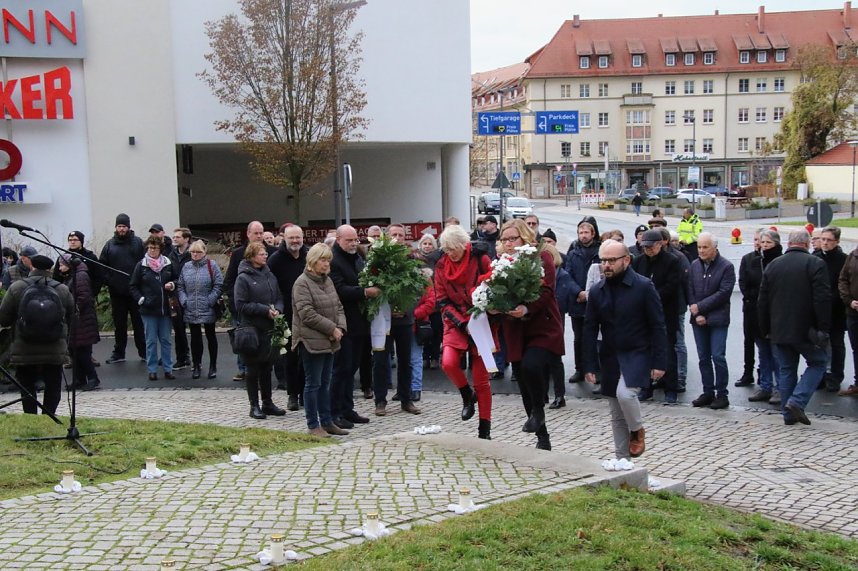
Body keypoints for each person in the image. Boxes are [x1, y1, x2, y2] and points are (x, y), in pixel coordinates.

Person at [582, 240, 667, 460]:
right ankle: (622, 461)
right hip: (610, 354)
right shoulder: (598, 290)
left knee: (626, 395)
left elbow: (658, 325)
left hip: (638, 352)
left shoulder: (643, 286)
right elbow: (589, 329)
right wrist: (589, 364)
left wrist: (660, 362)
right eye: (603, 261)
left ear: (626, 260)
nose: (606, 265)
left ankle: (637, 430)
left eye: (611, 260)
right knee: (616, 411)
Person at [497, 219, 564, 450]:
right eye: (504, 239)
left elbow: (546, 289)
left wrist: (526, 308)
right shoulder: (502, 262)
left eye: (512, 238)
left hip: (541, 326)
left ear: (525, 237)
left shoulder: (541, 257)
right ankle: (542, 437)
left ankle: (538, 410)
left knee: (532, 366)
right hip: (515, 328)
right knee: (523, 381)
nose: (508, 243)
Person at [758, 229, 830, 426]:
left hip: (779, 328)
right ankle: (796, 401)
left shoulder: (774, 265)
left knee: (787, 369)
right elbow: (822, 298)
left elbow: (762, 300)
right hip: (807, 329)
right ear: (807, 244)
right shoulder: (815, 264)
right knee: (818, 363)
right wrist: (823, 328)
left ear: (789, 244)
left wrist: (765, 328)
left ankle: (788, 414)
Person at [435, 224, 493, 440]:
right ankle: (466, 394)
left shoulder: (479, 259)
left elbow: (492, 282)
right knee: (448, 362)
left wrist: (481, 313)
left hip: (482, 319)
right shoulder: (441, 266)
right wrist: (462, 323)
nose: (450, 253)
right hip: (456, 321)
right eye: (446, 249)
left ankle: (484, 429)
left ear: (463, 245)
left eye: (453, 249)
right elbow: (442, 299)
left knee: (481, 379)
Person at [0, 254, 74, 415]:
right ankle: (49, 417)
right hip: (54, 347)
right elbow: (73, 317)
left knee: (27, 386)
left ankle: (31, 418)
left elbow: (3, 318)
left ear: (31, 266)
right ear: (50, 269)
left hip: (24, 347)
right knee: (53, 385)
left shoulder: (16, 287)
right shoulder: (61, 289)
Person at [291, 243, 348, 437]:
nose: (326, 264)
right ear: (313, 261)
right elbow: (306, 314)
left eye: (328, 260)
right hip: (311, 340)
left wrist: (339, 327)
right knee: (313, 384)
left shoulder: (327, 280)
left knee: (326, 383)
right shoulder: (302, 283)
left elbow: (338, 306)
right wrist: (331, 328)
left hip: (330, 339)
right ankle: (313, 424)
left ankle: (327, 421)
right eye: (322, 260)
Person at [371, 224, 422, 417]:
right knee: (381, 361)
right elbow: (372, 284)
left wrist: (405, 308)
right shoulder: (378, 258)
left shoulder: (412, 258)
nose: (398, 237)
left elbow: (417, 289)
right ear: (387, 236)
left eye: (401, 235)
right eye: (394, 234)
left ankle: (406, 399)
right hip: (383, 320)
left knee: (406, 361)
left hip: (405, 320)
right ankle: (380, 400)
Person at [234, 242, 286, 419]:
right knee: (252, 368)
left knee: (267, 366)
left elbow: (279, 296)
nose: (265, 256)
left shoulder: (269, 274)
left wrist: (278, 309)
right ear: (251, 256)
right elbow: (240, 305)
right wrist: (264, 310)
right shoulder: (243, 277)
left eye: (265, 253)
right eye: (262, 254)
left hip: (269, 328)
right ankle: (254, 405)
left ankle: (268, 403)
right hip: (251, 329)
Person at [330, 225, 375, 429]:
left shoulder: (357, 257)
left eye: (355, 240)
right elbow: (339, 290)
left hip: (359, 323)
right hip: (343, 324)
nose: (353, 243)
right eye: (349, 240)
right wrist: (364, 292)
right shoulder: (334, 260)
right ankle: (335, 411)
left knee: (352, 369)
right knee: (341, 370)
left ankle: (348, 409)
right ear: (338, 239)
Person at [631, 229, 682, 403]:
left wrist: (651, 297)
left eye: (651, 247)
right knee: (645, 352)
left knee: (667, 351)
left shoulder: (672, 261)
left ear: (660, 244)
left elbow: (672, 286)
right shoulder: (638, 262)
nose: (648, 250)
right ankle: (647, 387)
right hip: (643, 315)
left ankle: (671, 388)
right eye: (645, 247)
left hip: (665, 313)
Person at [223, 221, 276, 381]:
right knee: (245, 339)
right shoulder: (238, 254)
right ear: (248, 234)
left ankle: (265, 370)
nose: (259, 236)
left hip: (268, 309)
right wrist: (235, 301)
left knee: (266, 344)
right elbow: (230, 280)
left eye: (261, 233)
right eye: (256, 233)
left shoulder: (273, 252)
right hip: (244, 307)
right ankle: (243, 369)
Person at [688, 232, 736, 410]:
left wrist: (700, 307)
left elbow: (723, 293)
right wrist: (696, 311)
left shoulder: (726, 267)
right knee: (703, 357)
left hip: (718, 318)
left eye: (705, 247)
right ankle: (708, 391)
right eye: (699, 247)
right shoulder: (694, 265)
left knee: (718, 356)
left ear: (714, 248)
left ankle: (722, 394)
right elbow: (690, 288)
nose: (701, 250)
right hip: (698, 319)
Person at [267, 224, 308, 409]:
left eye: (298, 237)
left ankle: (305, 395)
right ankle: (292, 394)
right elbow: (270, 287)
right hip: (287, 315)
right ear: (285, 238)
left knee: (307, 356)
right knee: (291, 357)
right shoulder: (275, 260)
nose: (295, 241)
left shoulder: (308, 256)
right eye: (291, 238)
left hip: (308, 314)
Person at [99, 213, 146, 364]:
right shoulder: (109, 245)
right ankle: (119, 353)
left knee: (139, 324)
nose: (122, 229)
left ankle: (144, 352)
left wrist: (140, 282)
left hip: (135, 292)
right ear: (116, 227)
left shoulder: (138, 243)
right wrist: (109, 281)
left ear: (129, 227)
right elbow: (102, 266)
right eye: (119, 226)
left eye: (124, 226)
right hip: (117, 292)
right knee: (119, 325)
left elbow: (145, 263)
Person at [130, 236, 178, 381]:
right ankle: (152, 369)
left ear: (160, 249)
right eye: (150, 248)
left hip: (165, 308)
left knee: (166, 339)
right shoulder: (141, 265)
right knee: (150, 340)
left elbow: (176, 279)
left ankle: (168, 368)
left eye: (155, 248)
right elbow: (133, 285)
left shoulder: (168, 264)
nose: (152, 250)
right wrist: (141, 299)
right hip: (148, 309)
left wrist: (172, 285)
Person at [745, 230, 783, 404]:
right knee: (764, 353)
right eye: (763, 242)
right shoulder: (754, 262)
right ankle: (766, 386)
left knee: (777, 355)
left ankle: (780, 388)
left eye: (768, 243)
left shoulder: (780, 262)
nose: (764, 246)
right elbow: (746, 284)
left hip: (775, 315)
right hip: (756, 313)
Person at [177, 240, 223, 380]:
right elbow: (180, 286)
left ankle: (213, 366)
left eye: (198, 252)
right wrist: (184, 300)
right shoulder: (186, 267)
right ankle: (196, 365)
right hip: (191, 306)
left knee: (211, 336)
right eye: (193, 252)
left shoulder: (211, 265)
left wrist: (210, 299)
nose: (195, 255)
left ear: (204, 253)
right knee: (195, 338)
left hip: (207, 305)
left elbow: (219, 284)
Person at [57, 254, 101, 391]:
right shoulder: (72, 275)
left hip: (82, 319)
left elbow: (83, 297)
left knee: (82, 352)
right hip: (75, 319)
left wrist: (72, 310)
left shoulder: (80, 276)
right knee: (74, 351)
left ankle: (93, 378)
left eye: (62, 265)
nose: (60, 267)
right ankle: (79, 379)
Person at [565, 216, 601, 383]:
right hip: (577, 302)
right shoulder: (573, 253)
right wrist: (578, 292)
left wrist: (590, 293)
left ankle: (596, 370)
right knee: (578, 338)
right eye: (581, 232)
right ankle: (579, 369)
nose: (583, 235)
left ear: (593, 233)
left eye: (586, 232)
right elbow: (568, 275)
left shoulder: (600, 251)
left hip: (596, 301)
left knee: (596, 338)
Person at [813, 226, 847, 393]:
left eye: (829, 240)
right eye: (823, 239)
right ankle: (820, 375)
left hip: (836, 309)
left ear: (837, 242)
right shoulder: (815, 258)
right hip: (817, 310)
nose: (825, 243)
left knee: (836, 343)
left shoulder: (843, 260)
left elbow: (842, 283)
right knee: (818, 344)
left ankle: (835, 376)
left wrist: (830, 299)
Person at [736, 230, 763, 388]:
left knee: (764, 343)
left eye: (760, 240)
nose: (757, 243)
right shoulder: (747, 259)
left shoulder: (768, 260)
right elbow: (742, 280)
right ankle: (748, 373)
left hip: (763, 307)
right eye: (755, 239)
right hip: (750, 306)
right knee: (749, 341)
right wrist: (749, 296)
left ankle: (764, 371)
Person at [545, 243, 571, 409]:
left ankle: (559, 395)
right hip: (541, 320)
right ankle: (543, 394)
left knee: (554, 359)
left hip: (554, 320)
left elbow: (560, 300)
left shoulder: (561, 275)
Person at [411, 268, 436, 401]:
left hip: (417, 324)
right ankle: (403, 389)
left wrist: (413, 314)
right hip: (401, 324)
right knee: (404, 359)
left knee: (415, 357)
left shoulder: (424, 279)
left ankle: (415, 388)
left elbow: (430, 302)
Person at [168, 227, 192, 369]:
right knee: (177, 326)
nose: (175, 239)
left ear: (186, 239)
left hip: (190, 293)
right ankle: (182, 357)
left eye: (178, 237)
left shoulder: (192, 253)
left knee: (194, 328)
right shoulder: (171, 255)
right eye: (174, 236)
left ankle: (195, 358)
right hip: (174, 295)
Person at [837, 238, 858, 397]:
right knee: (856, 349)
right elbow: (843, 280)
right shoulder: (853, 256)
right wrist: (850, 301)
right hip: (853, 312)